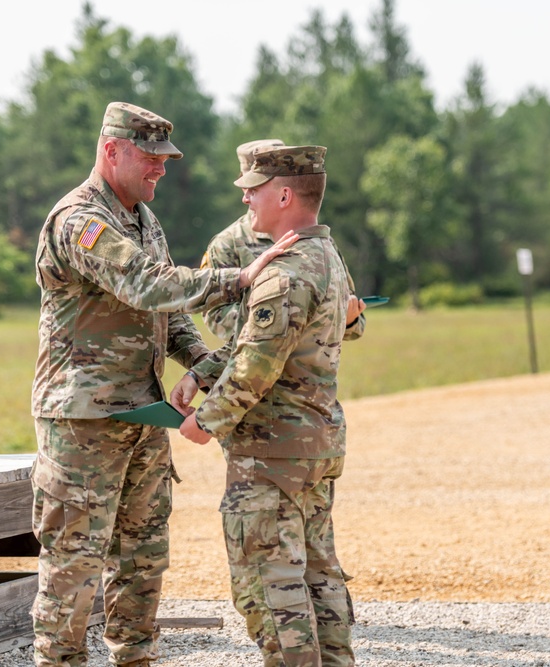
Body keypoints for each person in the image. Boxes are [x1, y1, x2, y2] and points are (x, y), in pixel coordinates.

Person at [30, 102, 296, 667]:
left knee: (142, 556)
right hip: (84, 422)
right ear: (111, 152)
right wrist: (240, 279)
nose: (161, 169)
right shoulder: (82, 220)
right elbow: (146, 285)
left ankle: (136, 658)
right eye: (150, 158)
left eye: (165, 159)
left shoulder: (144, 220)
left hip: (142, 414)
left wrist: (201, 362)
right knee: (74, 565)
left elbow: (168, 317)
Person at [172, 145, 358, 667]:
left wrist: (206, 421)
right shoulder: (328, 256)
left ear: (283, 195)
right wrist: (202, 372)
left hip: (272, 452)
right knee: (319, 575)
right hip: (313, 444)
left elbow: (257, 361)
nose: (246, 196)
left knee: (270, 586)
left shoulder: (285, 271)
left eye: (254, 188)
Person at [201, 139, 365, 342]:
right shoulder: (228, 243)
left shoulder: (318, 241)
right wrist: (276, 323)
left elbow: (352, 320)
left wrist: (348, 321)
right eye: (254, 182)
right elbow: (215, 315)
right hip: (255, 365)